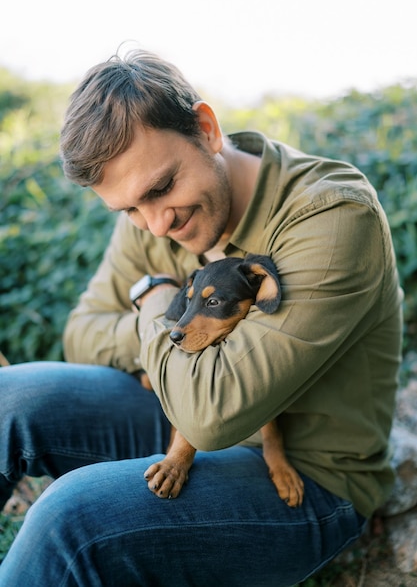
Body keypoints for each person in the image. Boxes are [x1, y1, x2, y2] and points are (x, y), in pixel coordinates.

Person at [0, 48, 403, 586]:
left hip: (313, 478)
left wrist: (152, 302)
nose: (155, 224)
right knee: (9, 399)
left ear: (207, 129)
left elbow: (213, 415)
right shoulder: (150, 214)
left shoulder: (330, 218)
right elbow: (83, 332)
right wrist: (169, 318)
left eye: (161, 189)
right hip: (174, 417)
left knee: (69, 518)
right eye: (128, 210)